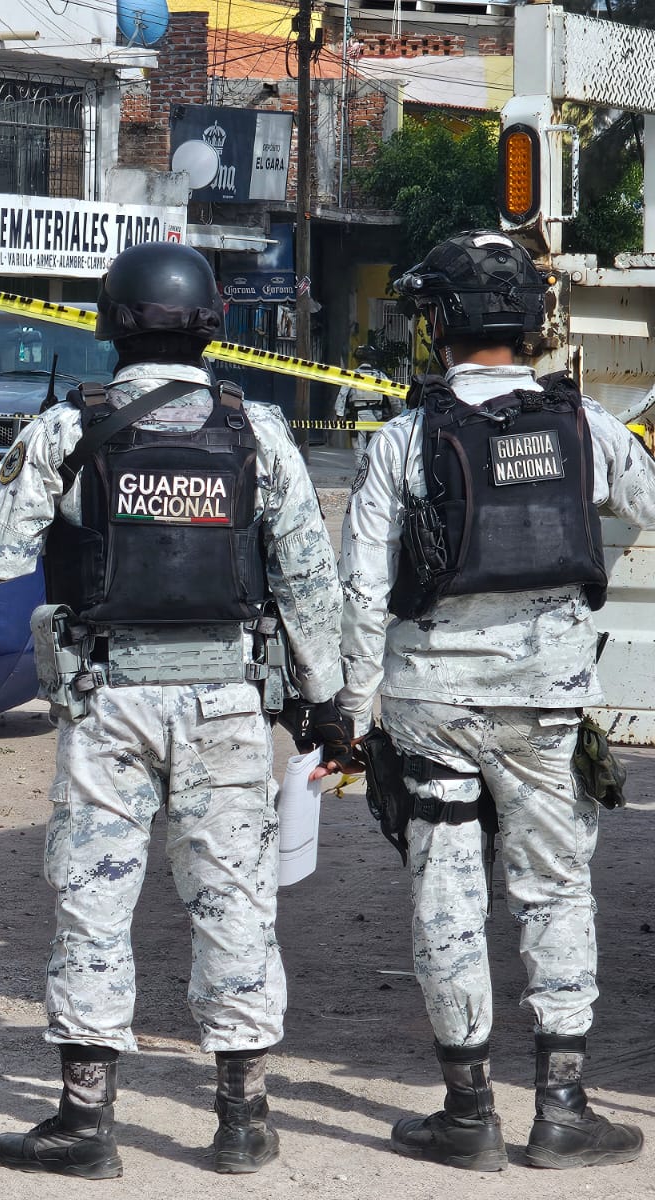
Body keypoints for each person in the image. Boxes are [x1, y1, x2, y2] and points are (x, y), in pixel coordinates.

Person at [0, 241, 347, 1179]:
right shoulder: (258, 431)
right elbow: (307, 580)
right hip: (226, 703)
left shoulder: (67, 429)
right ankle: (244, 1121)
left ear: (110, 321)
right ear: (214, 323)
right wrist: (329, 704)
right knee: (236, 903)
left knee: (94, 901)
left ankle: (86, 1128)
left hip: (111, 699)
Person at [326, 229, 655, 1172]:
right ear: (532, 320)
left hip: (432, 702)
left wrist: (350, 715)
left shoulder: (403, 436)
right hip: (548, 706)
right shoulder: (582, 426)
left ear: (442, 324)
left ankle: (468, 1111)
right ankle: (564, 1107)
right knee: (555, 891)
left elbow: (361, 589)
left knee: (448, 897)